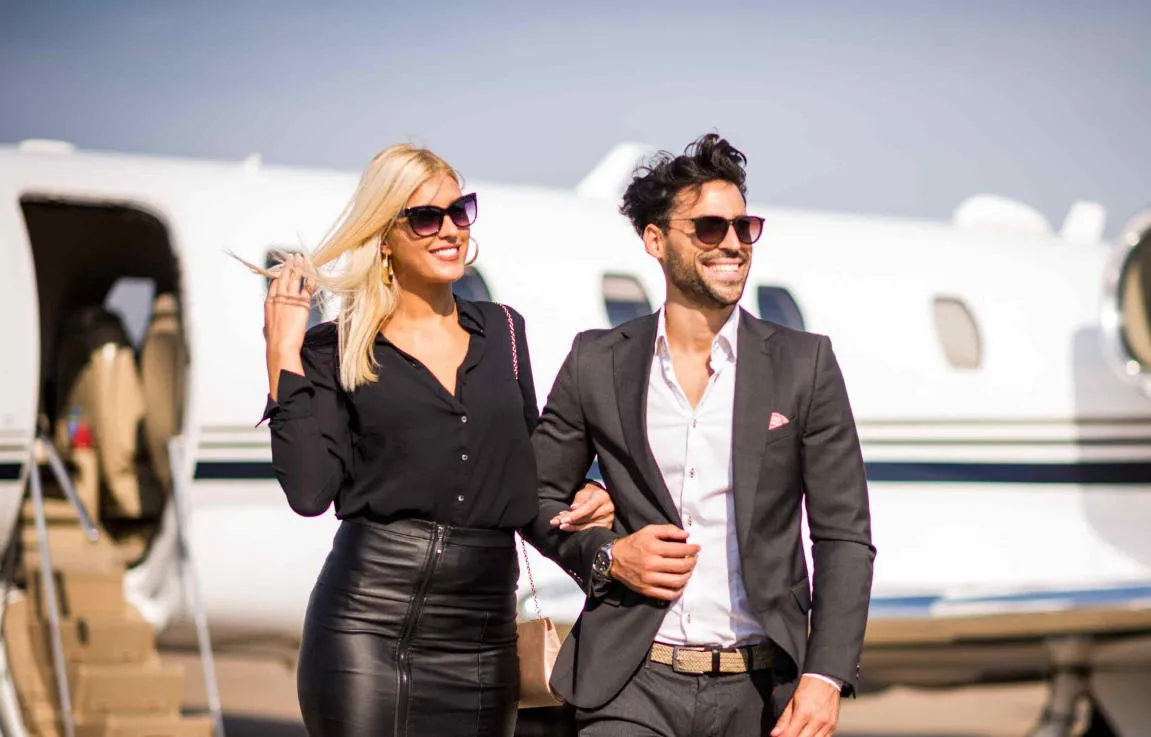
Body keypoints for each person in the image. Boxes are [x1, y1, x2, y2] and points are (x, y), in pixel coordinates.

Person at [256, 143, 615, 737]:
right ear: (385, 236)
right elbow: (308, 489)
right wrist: (282, 355)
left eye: (460, 210)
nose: (450, 229)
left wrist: (591, 493)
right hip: (366, 632)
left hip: (483, 641)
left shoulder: (503, 331)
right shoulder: (333, 347)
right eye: (426, 217)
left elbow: (528, 473)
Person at [524, 134, 876, 736]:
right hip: (630, 682)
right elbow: (531, 496)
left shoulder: (805, 364)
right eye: (710, 228)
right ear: (655, 240)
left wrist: (824, 676)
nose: (733, 244)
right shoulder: (596, 361)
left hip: (763, 689)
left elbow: (844, 534)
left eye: (745, 227)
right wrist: (609, 555)